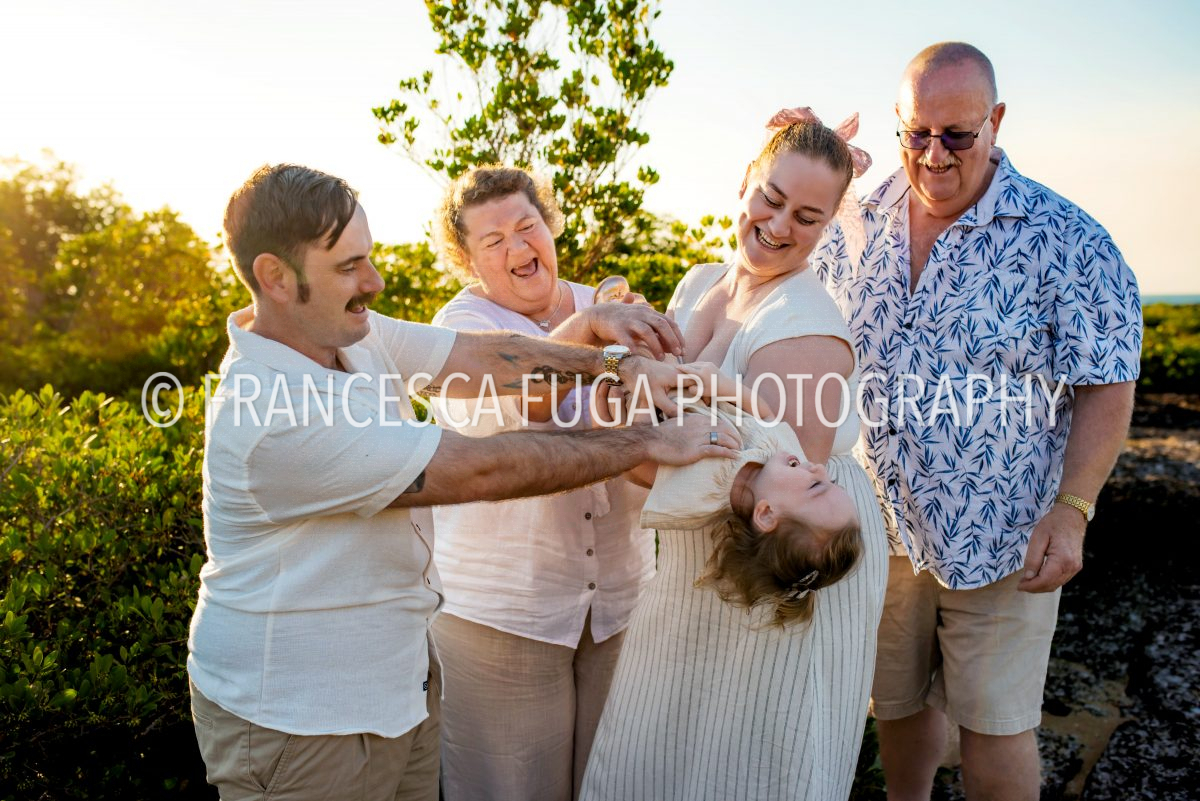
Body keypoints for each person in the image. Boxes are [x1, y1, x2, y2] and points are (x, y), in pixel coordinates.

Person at [186, 163, 740, 801]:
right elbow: (482, 467)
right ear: (275, 277)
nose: (375, 282)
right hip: (300, 719)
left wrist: (610, 360)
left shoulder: (350, 333)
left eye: (368, 257)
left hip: (398, 693)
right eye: (348, 267)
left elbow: (479, 358)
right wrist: (646, 441)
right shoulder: (271, 414)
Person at [813, 42, 1142, 801]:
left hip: (1003, 536)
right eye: (916, 133)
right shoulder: (853, 218)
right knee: (896, 705)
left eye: (957, 135)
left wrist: (1073, 509)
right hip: (879, 526)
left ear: (996, 121)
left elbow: (1107, 381)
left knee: (995, 726)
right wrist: (789, 157)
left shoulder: (1067, 239)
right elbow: (773, 271)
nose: (933, 154)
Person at [581, 113, 890, 801]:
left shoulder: (804, 328)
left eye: (807, 217)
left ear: (829, 223)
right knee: (670, 737)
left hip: (777, 565)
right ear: (745, 181)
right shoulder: (701, 281)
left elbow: (771, 486)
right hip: (699, 547)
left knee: (748, 750)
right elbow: (660, 412)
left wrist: (609, 430)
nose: (778, 226)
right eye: (771, 199)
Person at [424, 165, 670, 801]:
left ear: (550, 226)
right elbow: (528, 398)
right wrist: (596, 336)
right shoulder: (457, 327)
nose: (518, 246)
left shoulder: (606, 303)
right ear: (468, 259)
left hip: (619, 605)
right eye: (493, 240)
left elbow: (661, 416)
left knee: (614, 784)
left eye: (526, 225)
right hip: (502, 616)